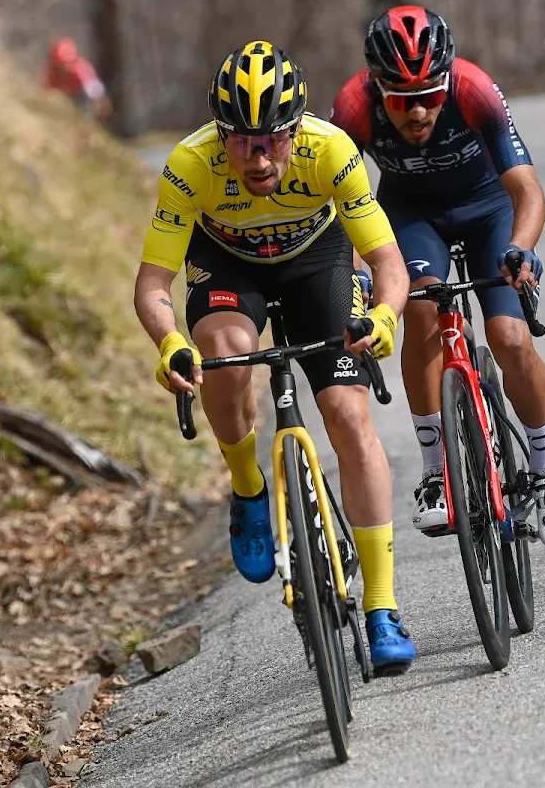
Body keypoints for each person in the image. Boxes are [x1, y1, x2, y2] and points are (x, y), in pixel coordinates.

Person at [133, 41, 417, 674]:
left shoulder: (330, 151)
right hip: (231, 267)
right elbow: (153, 285)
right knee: (224, 353)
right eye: (241, 140)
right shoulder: (191, 163)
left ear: (295, 130)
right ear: (219, 133)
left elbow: (387, 262)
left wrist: (385, 315)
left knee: (349, 417)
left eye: (272, 140)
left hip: (319, 262)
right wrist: (169, 342)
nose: (258, 158)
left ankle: (381, 607)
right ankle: (248, 486)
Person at [330, 6, 545, 550]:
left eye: (429, 96)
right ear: (377, 87)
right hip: (411, 216)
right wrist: (355, 280)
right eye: (402, 99)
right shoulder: (352, 107)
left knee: (510, 338)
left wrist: (520, 250)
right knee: (418, 312)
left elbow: (527, 191)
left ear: (447, 82)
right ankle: (435, 469)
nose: (418, 112)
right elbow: (340, 209)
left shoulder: (475, 88)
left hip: (488, 208)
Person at [42, 37, 113, 123]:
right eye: (61, 66)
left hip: (81, 98)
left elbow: (98, 96)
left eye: (67, 66)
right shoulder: (51, 73)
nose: (65, 69)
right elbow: (45, 93)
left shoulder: (82, 71)